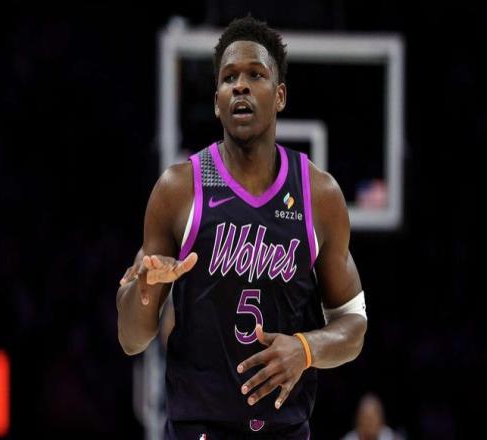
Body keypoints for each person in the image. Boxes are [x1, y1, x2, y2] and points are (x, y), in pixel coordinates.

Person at [116, 15, 368, 439]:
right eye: (229, 77)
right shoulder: (179, 189)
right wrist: (141, 294)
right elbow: (131, 340)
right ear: (217, 101)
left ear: (280, 95)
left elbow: (353, 326)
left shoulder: (319, 195)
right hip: (199, 428)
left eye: (255, 74)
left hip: (285, 430)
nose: (240, 86)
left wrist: (306, 349)